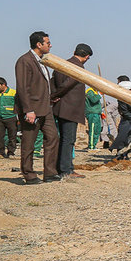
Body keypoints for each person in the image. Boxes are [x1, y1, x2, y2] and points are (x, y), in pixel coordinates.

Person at [15, 31, 60, 184]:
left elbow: (42, 86)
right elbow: (22, 88)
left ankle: (50, 173)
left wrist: (52, 97)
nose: (50, 45)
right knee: (29, 143)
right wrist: (28, 110)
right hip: (32, 110)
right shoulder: (25, 61)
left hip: (45, 109)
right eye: (48, 42)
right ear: (39, 44)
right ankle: (29, 174)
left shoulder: (42, 61)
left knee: (53, 137)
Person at [50, 43, 93, 179]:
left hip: (61, 108)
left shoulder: (61, 64)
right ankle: (66, 169)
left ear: (74, 51)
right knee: (68, 139)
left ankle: (61, 167)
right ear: (87, 56)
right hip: (70, 109)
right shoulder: (78, 67)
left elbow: (52, 81)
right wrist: (55, 95)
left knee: (63, 139)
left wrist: (53, 96)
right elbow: (67, 84)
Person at [0, 77, 18, 159]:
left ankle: (11, 153)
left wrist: (19, 117)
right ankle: (0, 153)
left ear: (4, 85)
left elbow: (18, 105)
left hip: (11, 118)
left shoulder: (13, 93)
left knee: (12, 136)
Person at [85, 84, 104, 149]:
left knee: (97, 130)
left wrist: (100, 112)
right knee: (93, 130)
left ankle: (94, 145)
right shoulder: (90, 91)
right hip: (92, 113)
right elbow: (93, 100)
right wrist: (100, 95)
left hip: (96, 113)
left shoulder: (94, 92)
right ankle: (91, 146)